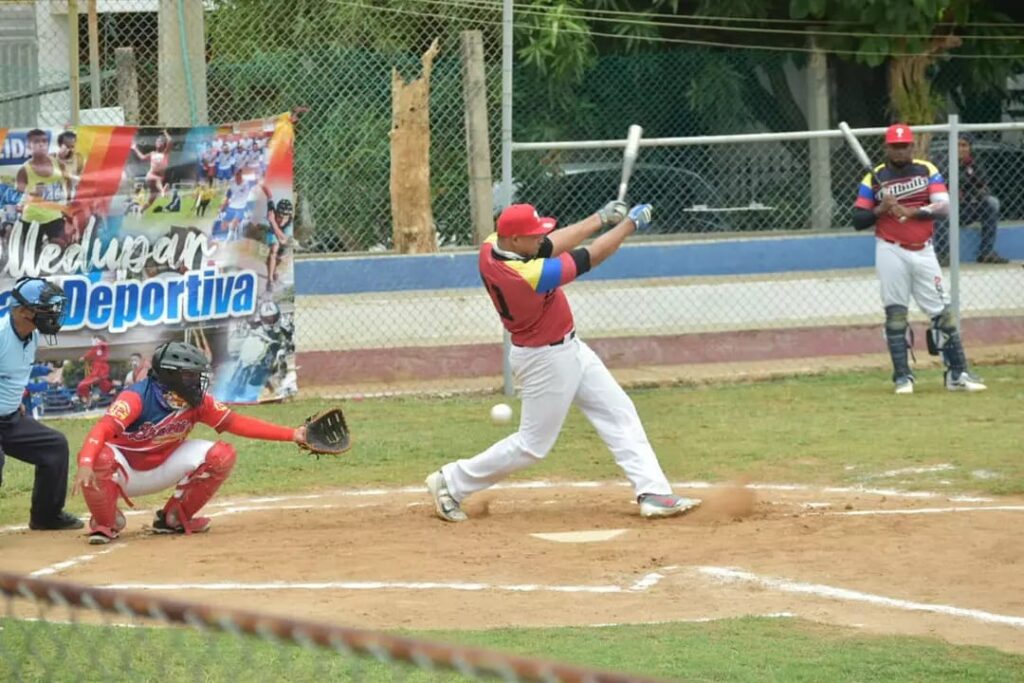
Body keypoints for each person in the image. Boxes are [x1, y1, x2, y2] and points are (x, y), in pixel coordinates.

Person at [425, 201, 701, 522]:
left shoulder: (493, 246)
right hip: (546, 359)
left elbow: (549, 245)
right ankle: (451, 481)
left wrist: (599, 218)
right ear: (514, 240)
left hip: (569, 348)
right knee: (532, 446)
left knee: (618, 412)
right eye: (533, 235)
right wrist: (629, 225)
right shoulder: (527, 275)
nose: (540, 239)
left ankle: (652, 492)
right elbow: (591, 256)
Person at [72, 341, 311, 545]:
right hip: (124, 472)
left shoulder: (196, 400)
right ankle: (106, 522)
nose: (197, 381)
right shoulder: (136, 397)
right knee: (98, 457)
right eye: (190, 375)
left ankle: (174, 517)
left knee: (221, 455)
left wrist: (293, 434)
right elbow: (102, 429)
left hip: (164, 465)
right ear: (170, 375)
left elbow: (236, 423)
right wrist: (86, 462)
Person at [851, 124, 987, 395]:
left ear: (912, 147)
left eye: (905, 146)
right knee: (896, 315)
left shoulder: (927, 170)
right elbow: (857, 219)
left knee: (943, 314)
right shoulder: (874, 178)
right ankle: (903, 377)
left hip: (924, 250)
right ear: (887, 148)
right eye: (895, 147)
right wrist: (881, 209)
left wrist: (911, 212)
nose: (900, 151)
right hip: (890, 249)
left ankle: (957, 374)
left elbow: (943, 207)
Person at [0, 278, 83, 531]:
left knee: (55, 446)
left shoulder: (32, 336)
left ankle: (46, 516)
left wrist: (14, 401)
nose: (53, 315)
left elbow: (13, 374)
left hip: (9, 419)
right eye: (45, 309)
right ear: (22, 311)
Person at [934, 135, 1009, 266]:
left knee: (992, 202)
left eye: (964, 145)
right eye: (957, 145)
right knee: (942, 205)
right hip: (949, 209)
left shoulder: (974, 163)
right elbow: (947, 186)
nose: (961, 149)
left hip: (967, 207)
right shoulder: (941, 162)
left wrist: (970, 190)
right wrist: (968, 186)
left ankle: (986, 252)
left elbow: (983, 185)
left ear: (969, 148)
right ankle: (943, 254)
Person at [16, 128, 71, 257]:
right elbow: (18, 189)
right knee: (32, 254)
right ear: (28, 146)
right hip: (32, 217)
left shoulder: (59, 164)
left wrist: (68, 202)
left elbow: (68, 181)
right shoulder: (24, 169)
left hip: (54, 216)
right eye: (36, 142)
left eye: (44, 141)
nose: (41, 144)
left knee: (61, 249)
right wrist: (32, 191)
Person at [130, 130, 171, 214]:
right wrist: (135, 148)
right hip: (151, 176)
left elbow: (170, 141)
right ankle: (162, 191)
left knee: (151, 201)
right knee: (157, 180)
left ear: (164, 145)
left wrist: (165, 132)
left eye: (161, 142)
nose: (158, 143)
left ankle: (141, 210)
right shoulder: (152, 154)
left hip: (159, 180)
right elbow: (142, 157)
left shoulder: (165, 153)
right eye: (157, 142)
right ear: (155, 144)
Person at [265, 198, 294, 292]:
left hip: (282, 237)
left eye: (285, 218)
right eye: (280, 217)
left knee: (281, 256)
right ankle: (270, 281)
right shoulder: (272, 211)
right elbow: (269, 196)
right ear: (276, 213)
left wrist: (273, 221)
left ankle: (274, 269)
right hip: (272, 233)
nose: (282, 221)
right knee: (274, 248)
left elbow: (283, 239)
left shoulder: (289, 224)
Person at [77, 334, 113, 402]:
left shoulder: (103, 346)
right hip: (96, 370)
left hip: (101, 369)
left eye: (95, 340)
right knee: (83, 384)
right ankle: (87, 396)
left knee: (103, 382)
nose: (94, 342)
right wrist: (84, 357)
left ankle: (109, 391)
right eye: (93, 341)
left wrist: (100, 343)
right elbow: (90, 353)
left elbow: (104, 345)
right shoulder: (95, 349)